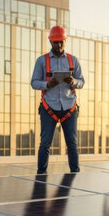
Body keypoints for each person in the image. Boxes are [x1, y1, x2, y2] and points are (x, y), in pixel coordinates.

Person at [30, 25, 85, 174]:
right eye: (56, 42)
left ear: (65, 40)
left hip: (69, 107)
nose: (59, 45)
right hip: (49, 108)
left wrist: (73, 82)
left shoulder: (73, 60)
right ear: (50, 42)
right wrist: (47, 84)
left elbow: (82, 81)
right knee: (45, 143)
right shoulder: (42, 61)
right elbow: (34, 82)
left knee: (72, 144)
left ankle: (75, 174)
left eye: (61, 42)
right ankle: (41, 174)